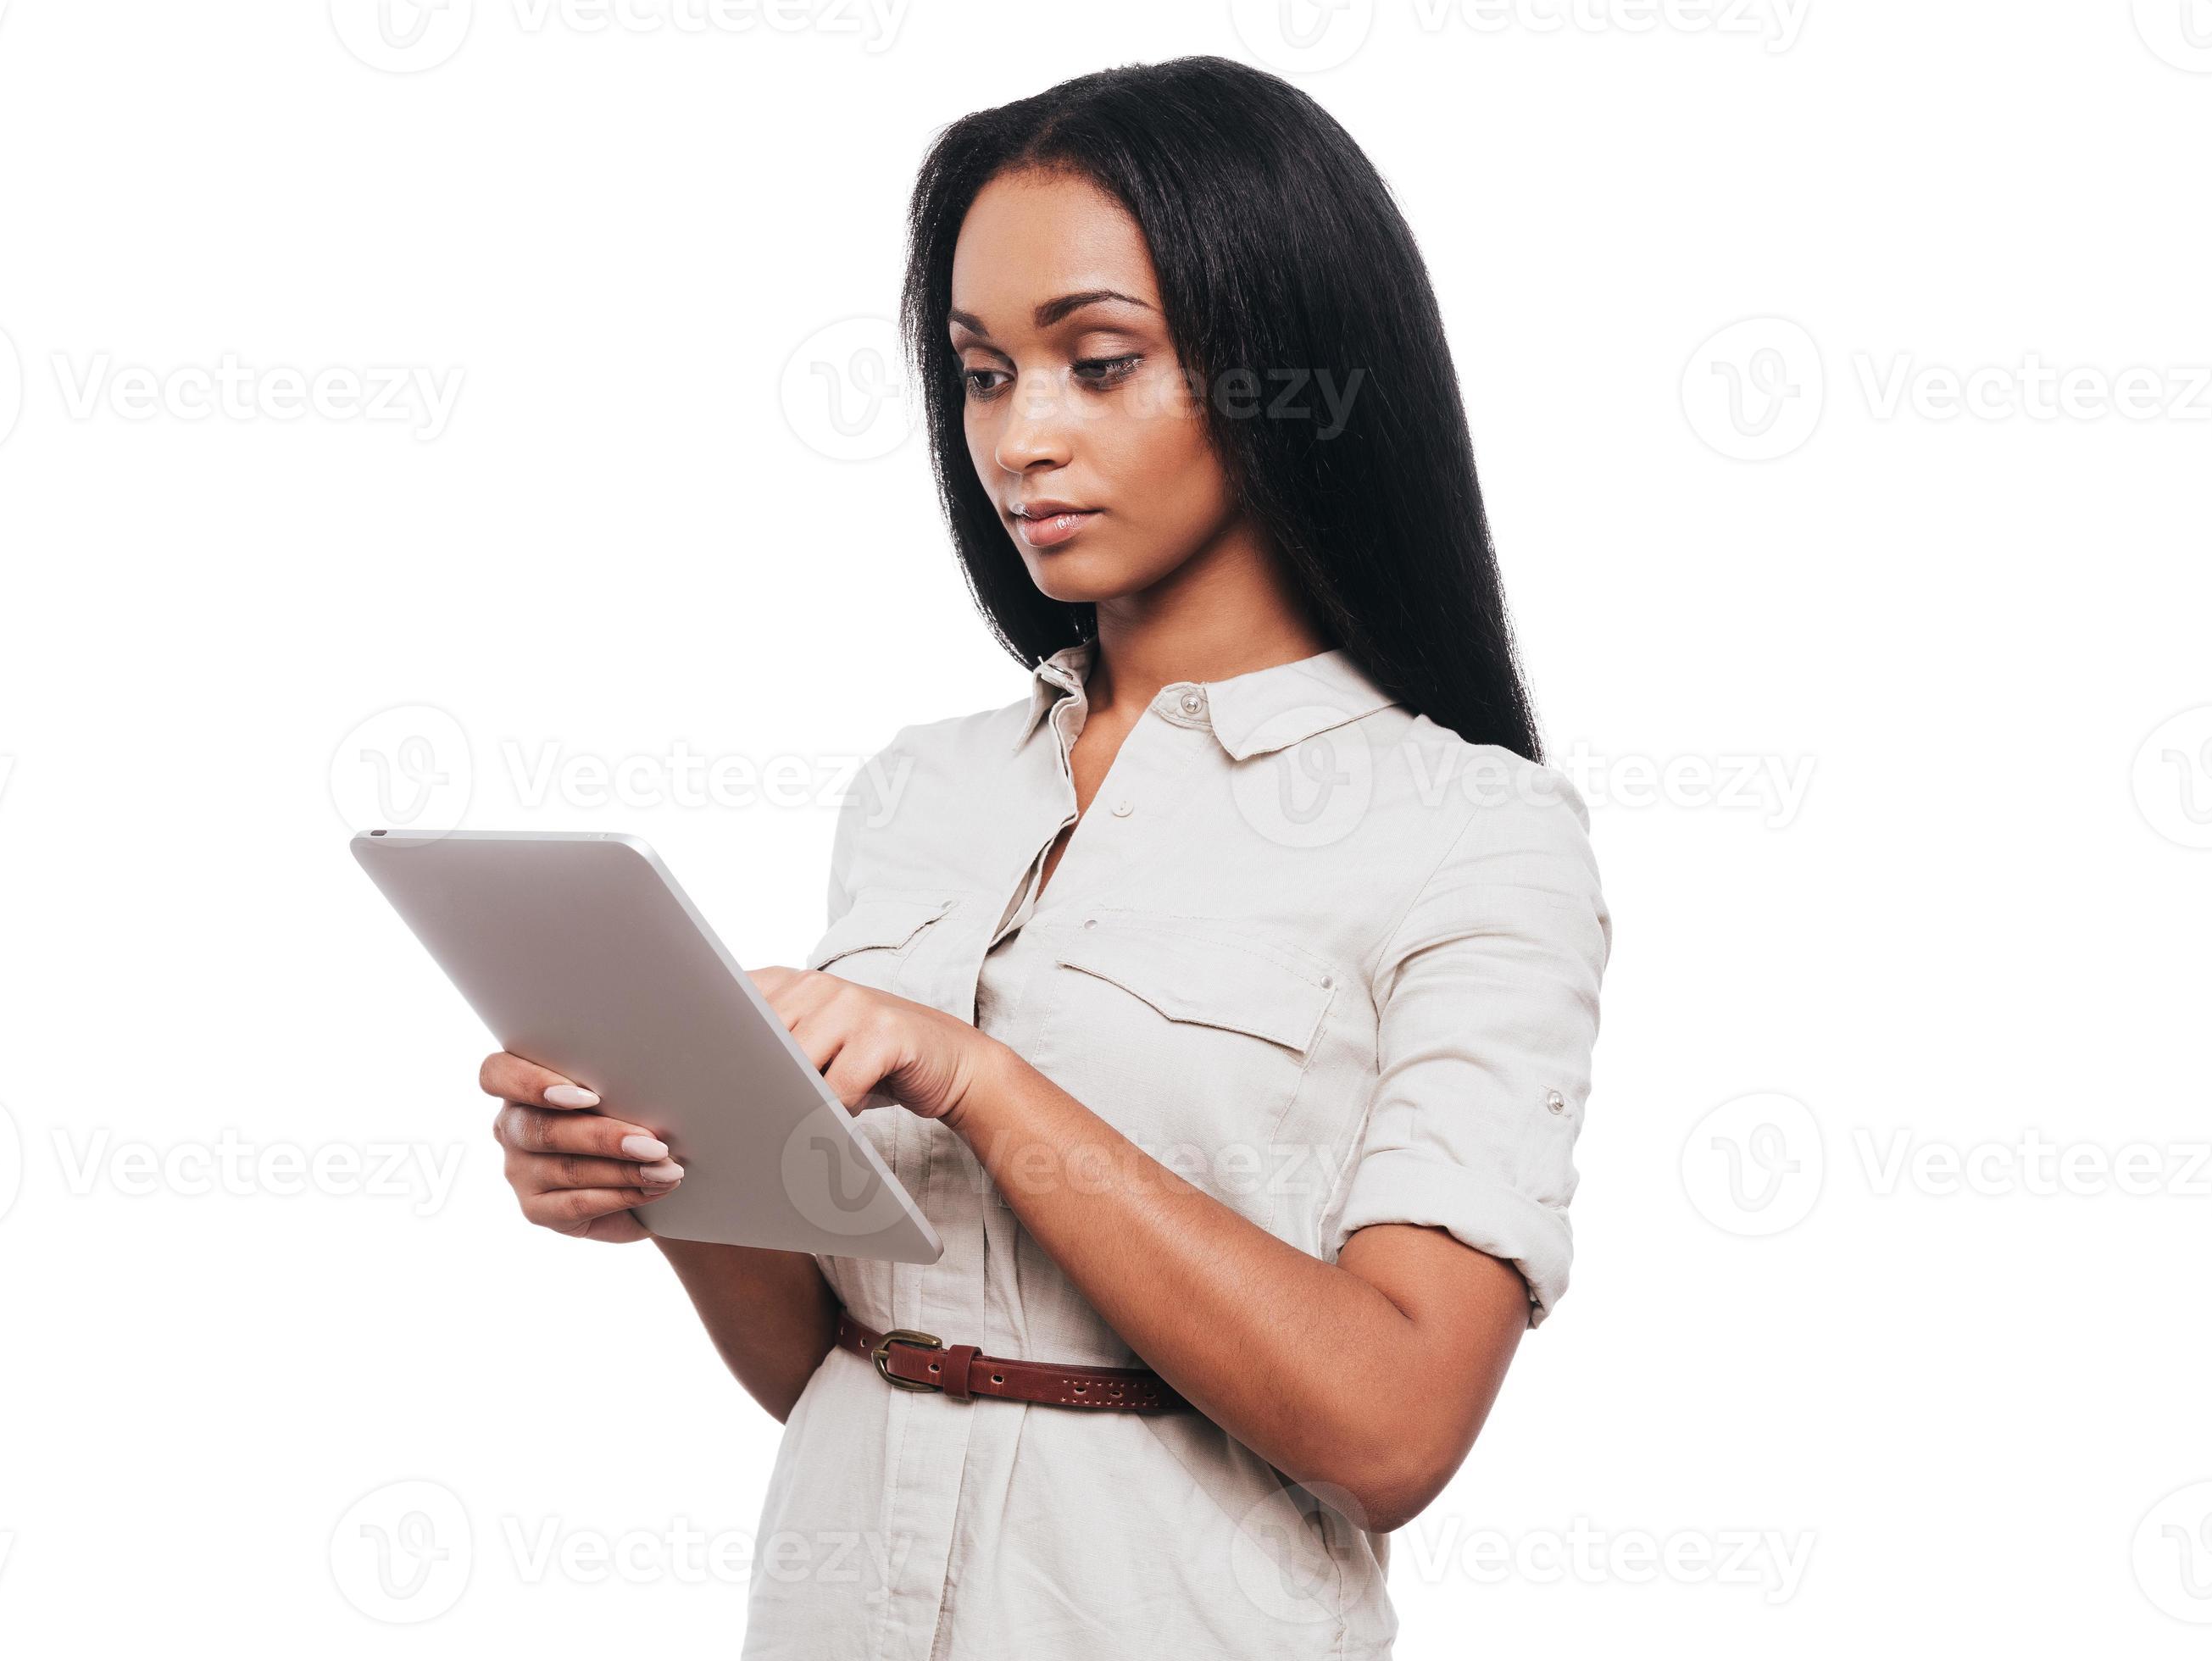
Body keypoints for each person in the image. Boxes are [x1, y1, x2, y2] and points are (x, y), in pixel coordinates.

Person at [481, 55, 1612, 1660]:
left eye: (1098, 362)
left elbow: (1393, 1430)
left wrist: (978, 1080)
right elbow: (826, 1356)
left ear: (1285, 363)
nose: (1021, 437)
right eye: (983, 373)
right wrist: (672, 1162)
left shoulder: (1474, 839)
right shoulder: (917, 791)